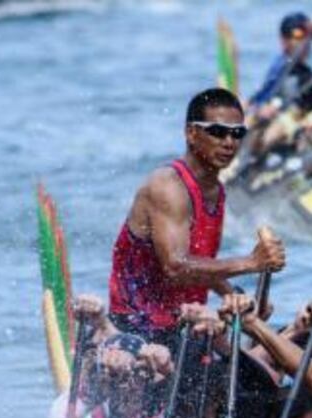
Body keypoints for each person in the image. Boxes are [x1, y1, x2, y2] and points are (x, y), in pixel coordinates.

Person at [107, 88, 286, 348]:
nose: (229, 142)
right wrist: (251, 262)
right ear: (191, 133)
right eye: (217, 131)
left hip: (186, 326)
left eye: (237, 133)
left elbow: (202, 265)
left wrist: (235, 295)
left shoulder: (215, 190)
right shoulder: (167, 187)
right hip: (138, 331)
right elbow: (176, 268)